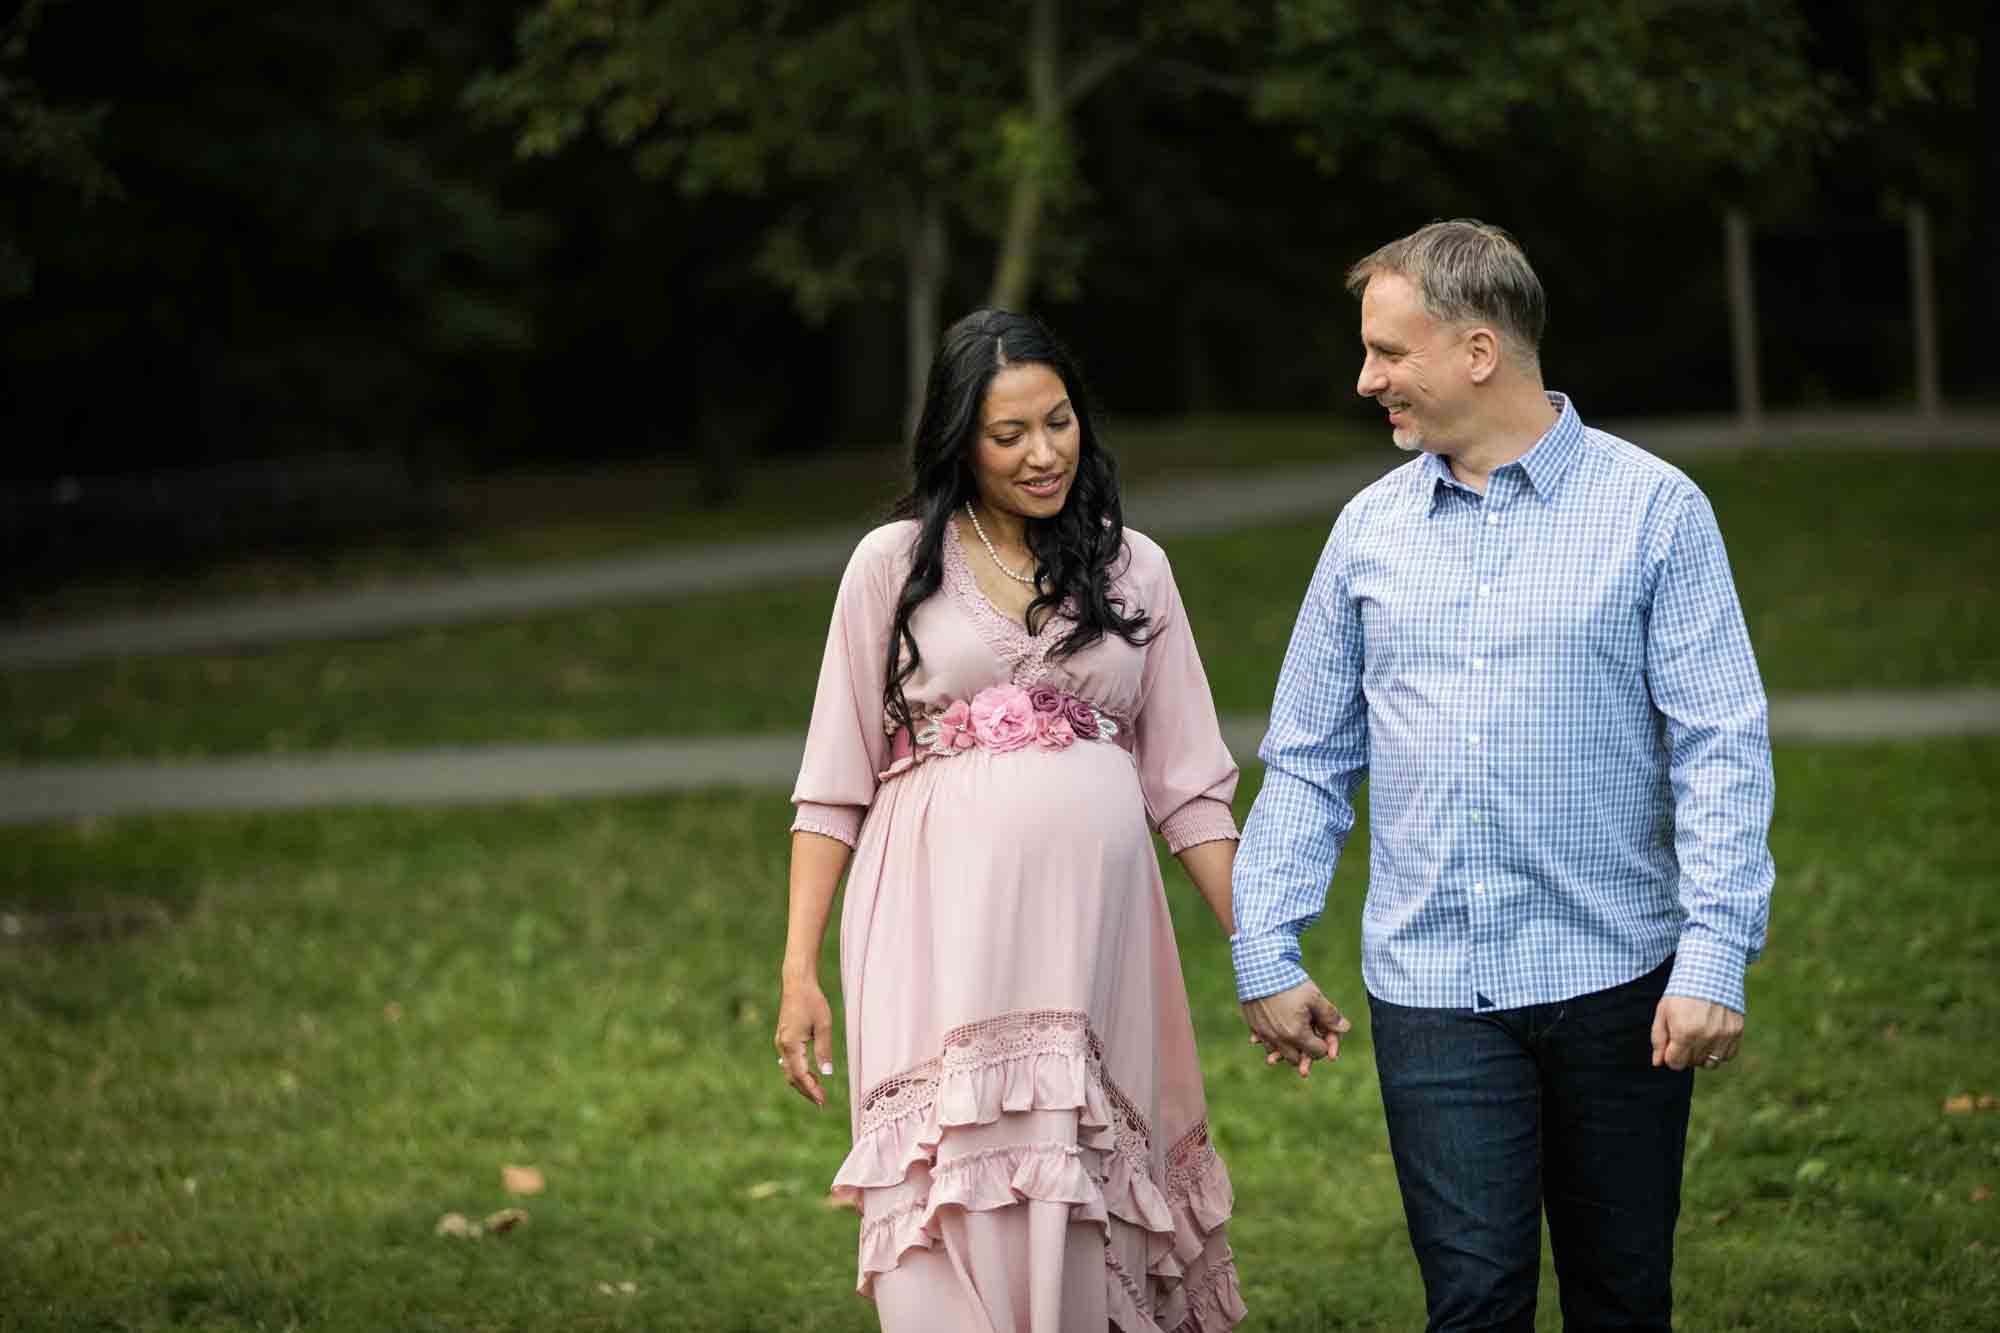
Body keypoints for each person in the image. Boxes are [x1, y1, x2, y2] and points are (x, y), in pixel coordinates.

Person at [1230, 219, 1776, 1331]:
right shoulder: (1364, 534)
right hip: (1433, 994)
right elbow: (1306, 759)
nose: (1364, 377)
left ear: (1476, 352)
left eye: (1388, 352)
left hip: (1619, 985)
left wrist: (1713, 954)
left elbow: (1720, 745)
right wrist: (1264, 944)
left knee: (1621, 1297)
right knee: (1473, 1302)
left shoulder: (1654, 510)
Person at [777, 307, 1248, 1333]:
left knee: (1078, 1184)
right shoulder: (891, 566)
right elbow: (830, 781)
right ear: (958, 441)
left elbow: (1188, 786)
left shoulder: (1135, 570)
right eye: (1007, 435)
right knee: (951, 1184)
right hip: (932, 936)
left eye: (1059, 421)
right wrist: (796, 969)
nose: (1042, 454)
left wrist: (1262, 953)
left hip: (1092, 948)